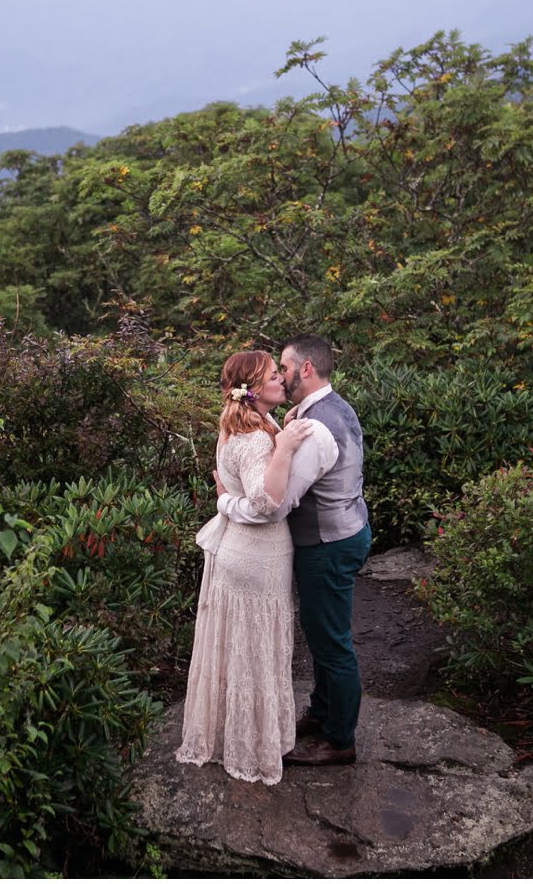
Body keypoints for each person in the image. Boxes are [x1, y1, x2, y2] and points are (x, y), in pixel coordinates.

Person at [175, 350, 334, 784]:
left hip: (242, 552)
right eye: (272, 377)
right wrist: (283, 449)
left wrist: (226, 498)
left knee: (238, 649)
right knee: (254, 651)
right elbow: (267, 504)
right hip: (256, 558)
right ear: (252, 389)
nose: (281, 381)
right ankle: (253, 748)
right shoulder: (257, 439)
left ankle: (237, 736)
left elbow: (241, 493)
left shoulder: (244, 427)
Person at [216, 335, 370, 766]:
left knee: (331, 641)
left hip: (328, 544)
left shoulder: (318, 426)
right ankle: (323, 713)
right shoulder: (326, 408)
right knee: (323, 635)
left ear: (304, 369)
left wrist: (225, 501)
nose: (280, 376)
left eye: (283, 367)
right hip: (342, 531)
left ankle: (340, 739)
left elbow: (277, 504)